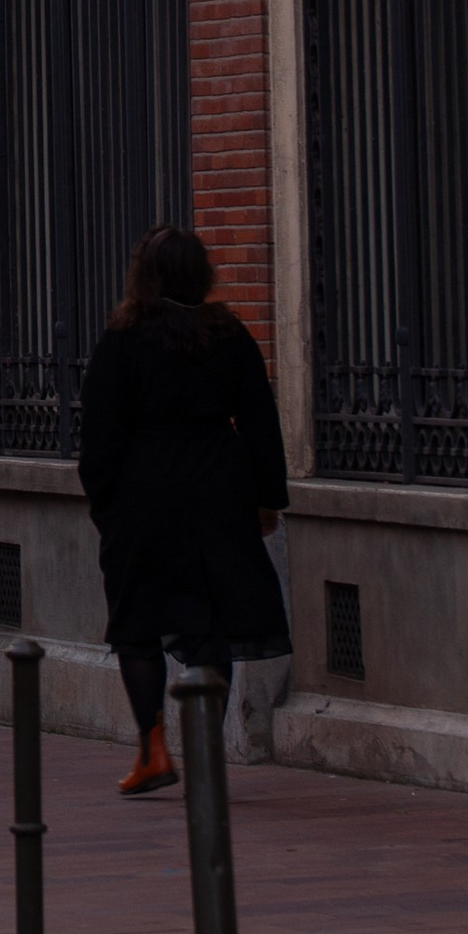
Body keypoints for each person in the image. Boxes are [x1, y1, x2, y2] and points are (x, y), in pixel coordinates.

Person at [78, 225, 290, 798]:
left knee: (137, 624)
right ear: (201, 274)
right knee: (214, 622)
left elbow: (98, 434)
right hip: (219, 489)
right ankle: (204, 751)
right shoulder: (229, 334)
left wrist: (106, 503)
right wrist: (267, 497)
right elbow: (261, 422)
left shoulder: (123, 337)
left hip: (145, 494)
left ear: (142, 275)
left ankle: (153, 749)